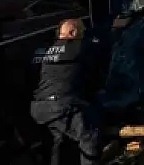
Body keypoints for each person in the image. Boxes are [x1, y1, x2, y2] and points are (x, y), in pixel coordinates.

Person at [29, 18, 107, 165]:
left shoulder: (42, 50)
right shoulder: (79, 46)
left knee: (59, 146)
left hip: (40, 108)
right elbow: (99, 58)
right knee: (90, 136)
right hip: (63, 105)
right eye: (83, 32)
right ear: (73, 32)